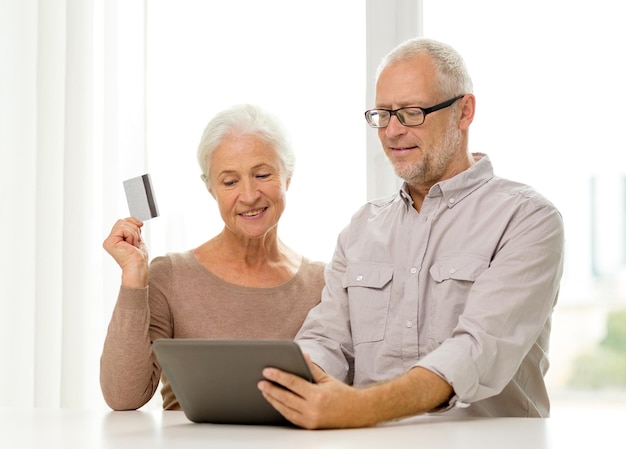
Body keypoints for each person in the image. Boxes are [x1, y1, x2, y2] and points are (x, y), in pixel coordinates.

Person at [257, 37, 565, 429]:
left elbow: (476, 350)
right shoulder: (360, 229)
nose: (392, 131)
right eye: (383, 114)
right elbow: (327, 340)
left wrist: (360, 408)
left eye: (411, 112)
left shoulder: (527, 219)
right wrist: (289, 385)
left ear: (464, 111)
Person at [100, 104, 325, 410]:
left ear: (287, 177)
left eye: (261, 174)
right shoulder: (170, 275)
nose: (248, 195)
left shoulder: (323, 284)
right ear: (210, 188)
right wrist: (134, 279)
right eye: (230, 182)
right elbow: (124, 397)